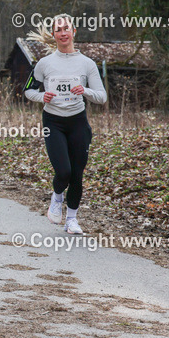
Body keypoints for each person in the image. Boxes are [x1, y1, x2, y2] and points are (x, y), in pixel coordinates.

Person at [23, 14, 107, 234]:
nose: (62, 33)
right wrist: (43, 97)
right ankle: (57, 196)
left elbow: (102, 96)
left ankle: (71, 220)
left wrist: (85, 91)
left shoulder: (87, 64)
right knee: (63, 171)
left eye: (66, 28)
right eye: (58, 29)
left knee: (77, 174)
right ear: (53, 34)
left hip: (78, 122)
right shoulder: (44, 63)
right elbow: (28, 90)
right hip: (54, 122)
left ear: (74, 31)